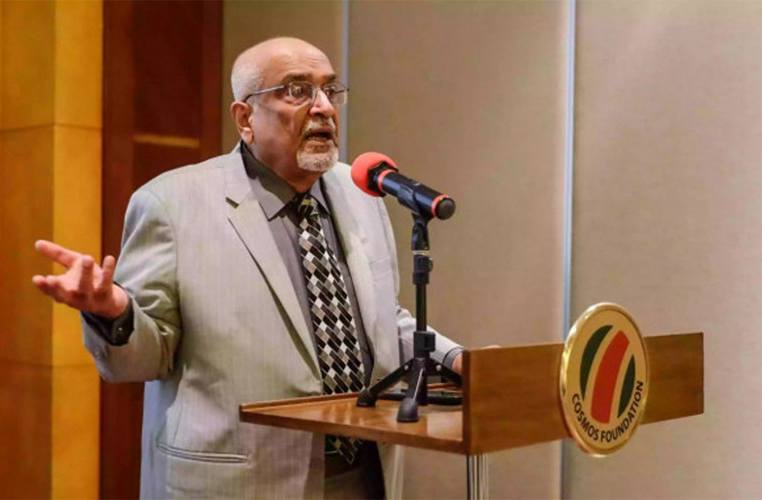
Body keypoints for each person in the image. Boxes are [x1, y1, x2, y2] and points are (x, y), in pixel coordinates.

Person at [33, 37, 462, 499]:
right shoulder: (171, 203)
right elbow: (144, 359)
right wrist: (113, 313)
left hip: (363, 476)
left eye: (329, 90)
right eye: (297, 90)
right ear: (245, 119)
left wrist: (457, 359)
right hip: (238, 481)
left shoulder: (361, 194)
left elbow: (381, 319)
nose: (323, 107)